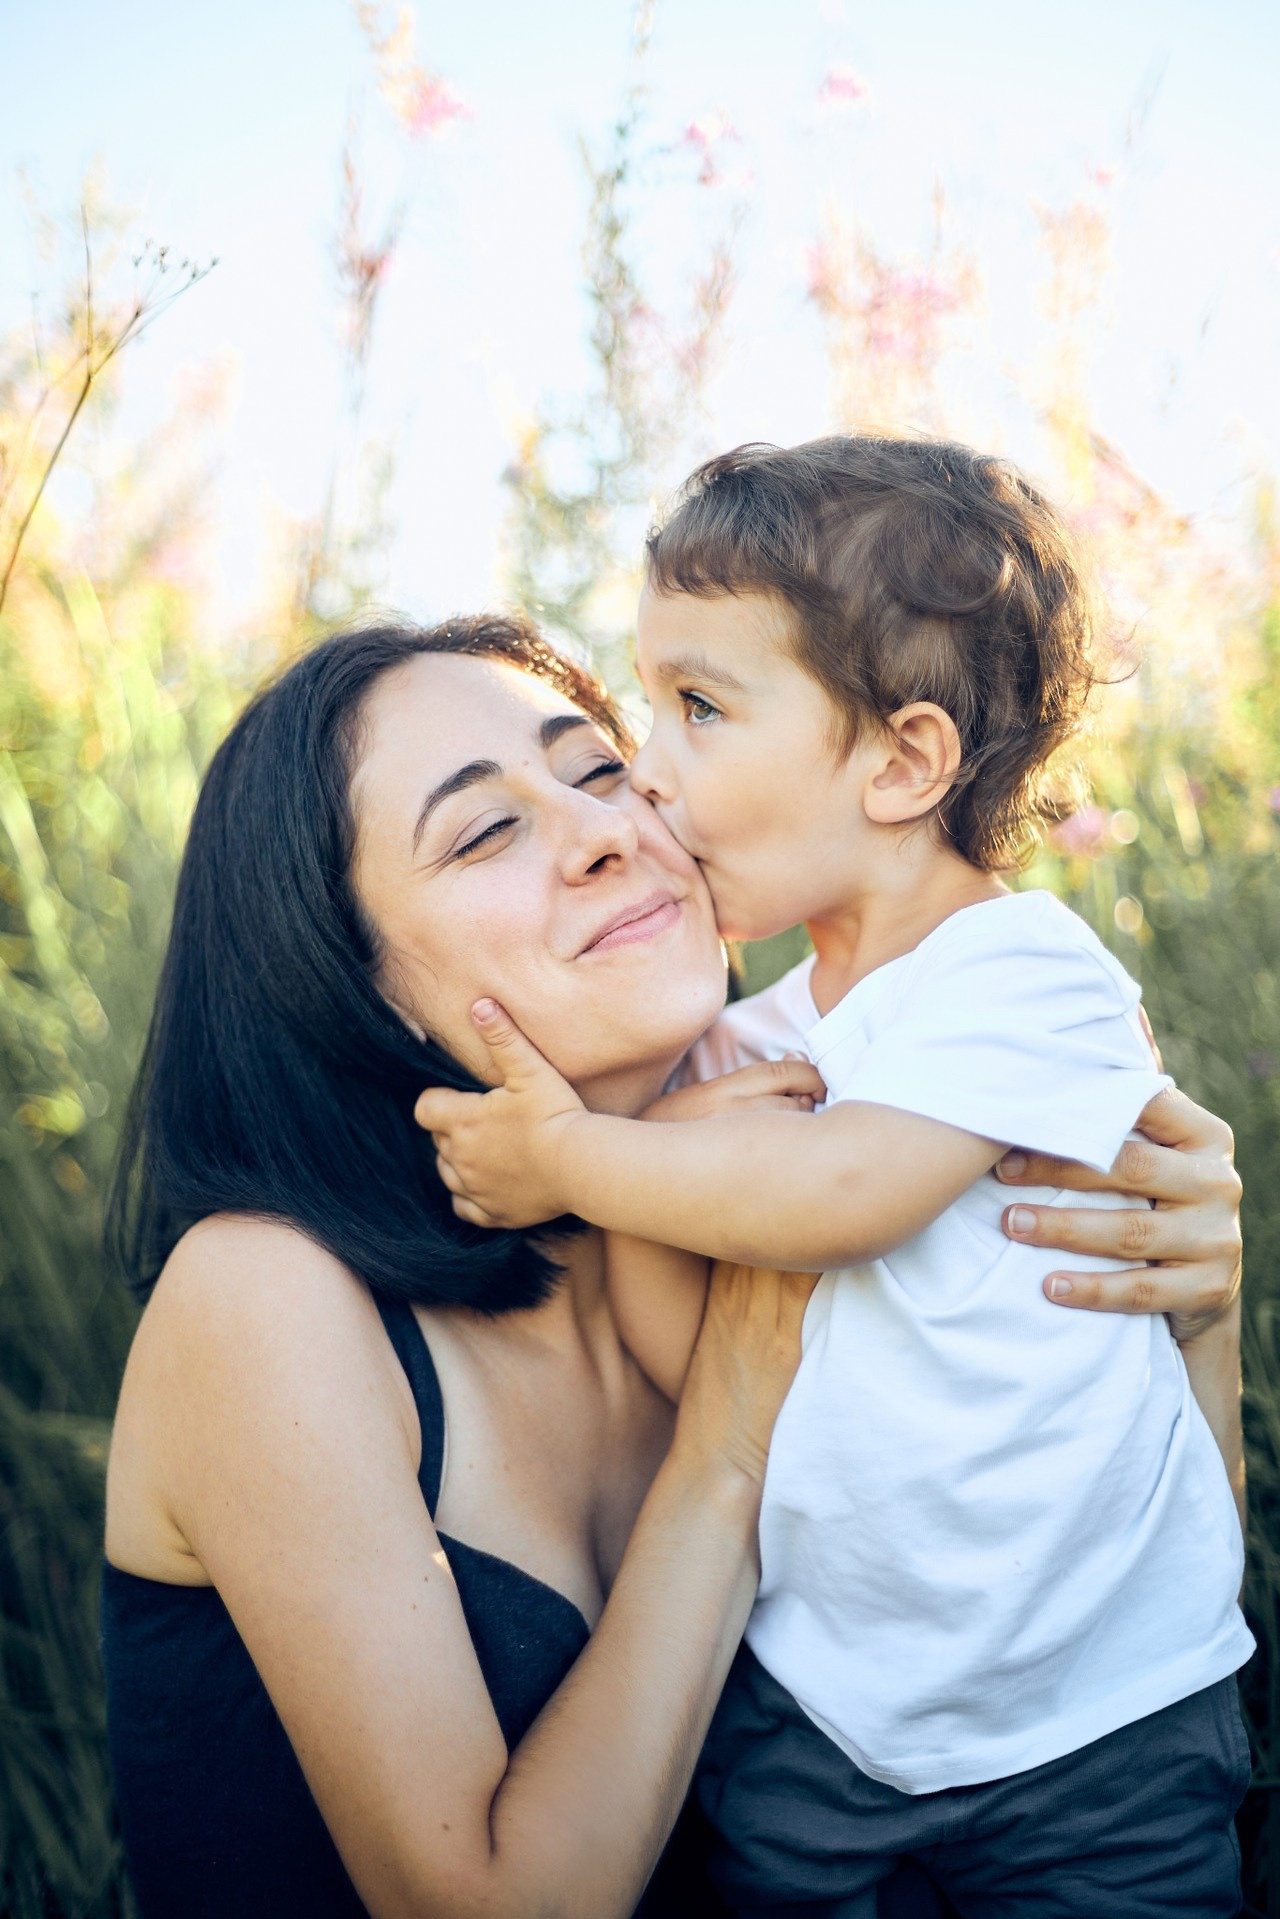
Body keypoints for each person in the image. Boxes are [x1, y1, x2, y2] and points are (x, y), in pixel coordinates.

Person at [101, 613, 1245, 1919]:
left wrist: (1188, 1322)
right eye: (484, 830)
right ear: (352, 991)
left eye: (599, 772)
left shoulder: (813, 1193)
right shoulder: (266, 1297)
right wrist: (725, 1452)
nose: (608, 831)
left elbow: (1124, 1646)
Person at [418, 440, 1253, 1917]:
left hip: (1098, 1717)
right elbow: (710, 1364)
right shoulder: (743, 1045)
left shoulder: (1020, 971)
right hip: (829, 1707)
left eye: (700, 709)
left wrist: (574, 1160)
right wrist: (655, 1170)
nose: (650, 776)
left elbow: (855, 1192)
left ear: (901, 762)